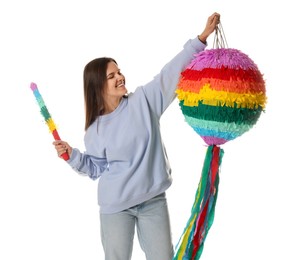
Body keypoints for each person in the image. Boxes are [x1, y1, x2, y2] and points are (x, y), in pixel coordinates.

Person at [53, 12, 220, 260]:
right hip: (116, 207)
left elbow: (170, 73)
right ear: (97, 86)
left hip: (153, 201)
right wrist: (71, 156)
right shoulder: (95, 130)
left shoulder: (144, 100)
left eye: (118, 71)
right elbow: (95, 168)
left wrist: (200, 38)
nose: (120, 77)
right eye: (111, 76)